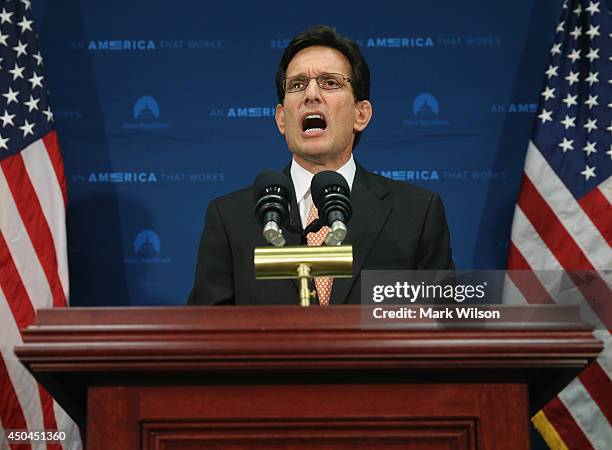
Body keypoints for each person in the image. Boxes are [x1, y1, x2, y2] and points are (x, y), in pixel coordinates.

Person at [188, 25, 453, 306]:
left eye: (329, 82)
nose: (311, 95)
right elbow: (206, 336)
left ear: (360, 114)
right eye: (297, 84)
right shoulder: (231, 218)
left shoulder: (416, 213)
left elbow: (443, 328)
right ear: (281, 118)